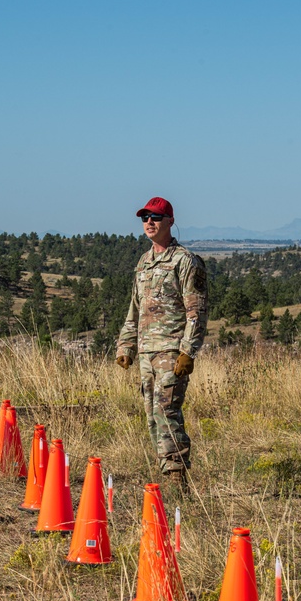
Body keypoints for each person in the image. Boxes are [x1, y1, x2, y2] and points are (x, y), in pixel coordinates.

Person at [115, 197, 208, 489]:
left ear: (170, 221)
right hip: (146, 351)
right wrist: (125, 346)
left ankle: (175, 478)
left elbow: (196, 310)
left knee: (167, 410)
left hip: (171, 350)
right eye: (145, 218)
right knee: (151, 415)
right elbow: (135, 308)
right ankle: (164, 472)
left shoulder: (185, 261)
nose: (149, 223)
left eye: (155, 217)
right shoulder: (144, 262)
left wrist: (187, 351)